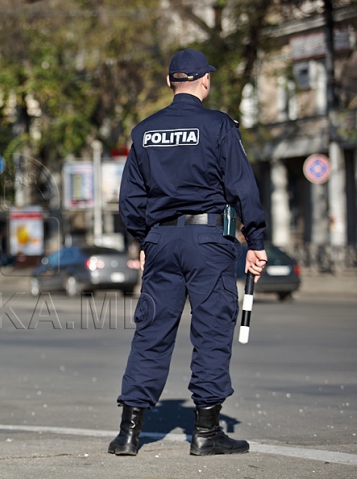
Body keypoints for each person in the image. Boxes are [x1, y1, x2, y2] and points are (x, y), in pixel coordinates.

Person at [108, 49, 268, 456]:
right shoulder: (218, 126)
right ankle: (207, 433)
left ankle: (127, 434)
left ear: (169, 82)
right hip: (208, 241)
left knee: (151, 333)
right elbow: (242, 187)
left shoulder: (144, 131)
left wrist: (146, 240)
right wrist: (257, 241)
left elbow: (130, 199)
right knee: (211, 332)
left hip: (161, 240)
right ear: (205, 81)